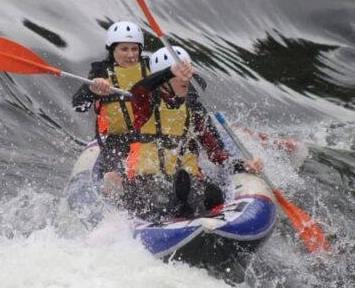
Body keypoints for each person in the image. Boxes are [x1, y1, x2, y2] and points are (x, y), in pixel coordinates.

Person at [119, 46, 263, 219]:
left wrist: (243, 165)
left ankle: (192, 205)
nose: (185, 80)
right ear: (164, 81)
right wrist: (170, 71)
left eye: (186, 75)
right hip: (147, 180)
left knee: (208, 191)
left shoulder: (193, 111)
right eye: (178, 76)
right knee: (157, 197)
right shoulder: (146, 106)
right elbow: (138, 91)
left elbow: (216, 153)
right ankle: (180, 206)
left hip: (184, 181)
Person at [71, 21, 150, 185]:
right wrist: (92, 89)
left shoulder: (151, 67)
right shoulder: (101, 71)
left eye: (134, 49)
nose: (130, 55)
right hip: (116, 140)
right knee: (116, 178)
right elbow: (79, 104)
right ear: (112, 49)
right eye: (124, 49)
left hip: (149, 137)